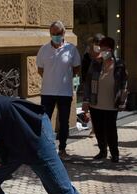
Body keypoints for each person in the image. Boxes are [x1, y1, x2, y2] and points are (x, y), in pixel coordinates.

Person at [36, 20, 81, 160]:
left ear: (63, 33)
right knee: (44, 121)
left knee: (64, 122)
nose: (55, 36)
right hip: (47, 92)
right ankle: (46, 149)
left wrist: (64, 79)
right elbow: (40, 70)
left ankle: (62, 149)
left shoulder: (71, 49)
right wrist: (52, 79)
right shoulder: (43, 49)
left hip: (64, 92)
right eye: (53, 34)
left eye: (58, 33)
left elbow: (76, 69)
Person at [83, 36, 128, 163]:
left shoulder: (119, 64)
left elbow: (124, 84)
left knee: (111, 130)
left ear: (112, 49)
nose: (103, 51)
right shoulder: (95, 63)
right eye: (101, 48)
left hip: (111, 103)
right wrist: (86, 100)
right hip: (95, 103)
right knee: (98, 129)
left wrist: (122, 101)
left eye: (106, 49)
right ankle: (102, 151)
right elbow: (87, 83)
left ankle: (115, 154)